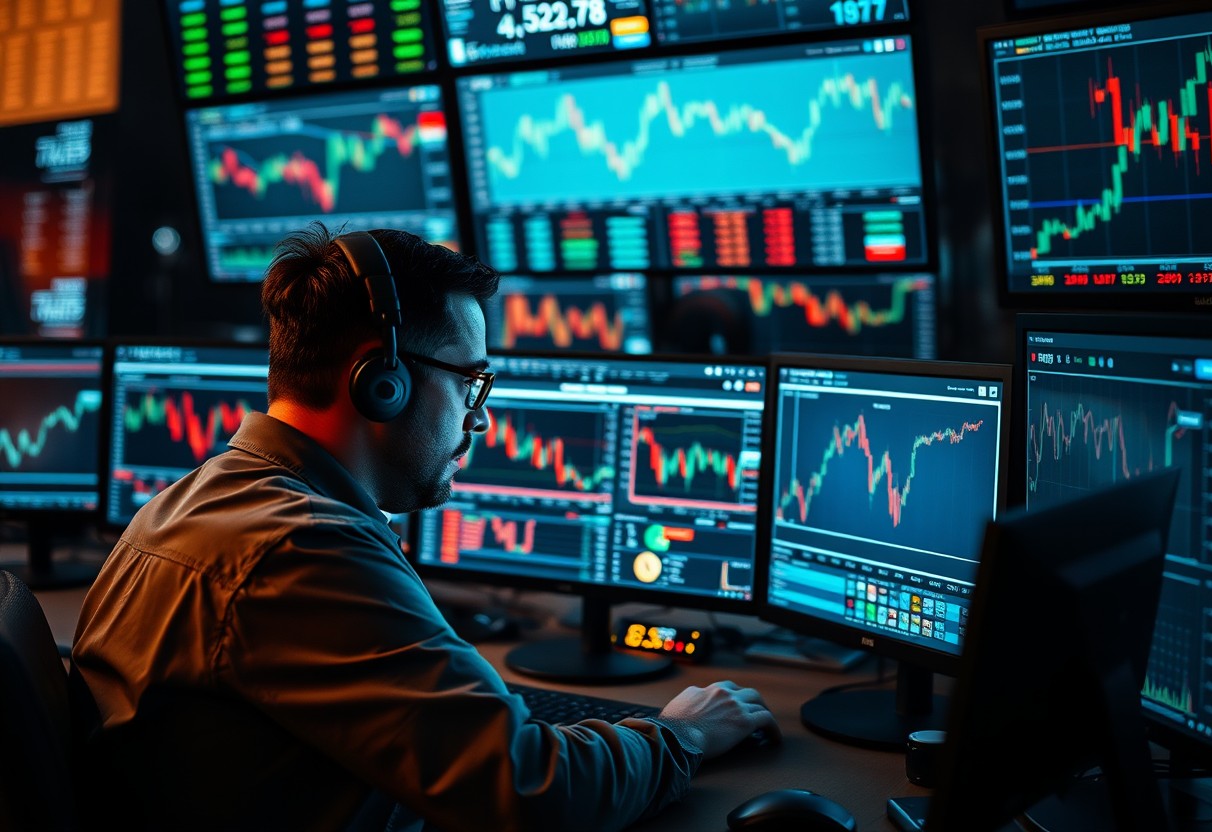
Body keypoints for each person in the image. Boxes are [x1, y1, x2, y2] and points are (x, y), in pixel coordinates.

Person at [71, 223, 778, 832]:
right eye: (471, 382)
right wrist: (681, 734)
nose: (482, 418)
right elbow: (533, 794)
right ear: (382, 381)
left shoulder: (196, 499)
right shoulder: (299, 548)